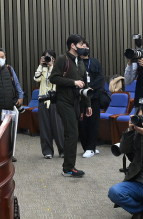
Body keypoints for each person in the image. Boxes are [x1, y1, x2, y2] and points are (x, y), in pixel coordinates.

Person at [49, 34, 92, 177]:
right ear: (73, 46)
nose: (83, 48)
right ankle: (68, 168)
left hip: (76, 102)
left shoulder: (80, 62)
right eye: (81, 45)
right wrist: (73, 82)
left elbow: (85, 84)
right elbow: (53, 78)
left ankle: (69, 166)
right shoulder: (63, 59)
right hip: (63, 101)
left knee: (72, 134)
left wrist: (88, 105)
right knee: (72, 133)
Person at [34, 49, 64, 159]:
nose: (46, 59)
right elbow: (36, 79)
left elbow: (55, 79)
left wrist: (51, 66)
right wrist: (41, 66)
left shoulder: (57, 69)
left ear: (54, 59)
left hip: (55, 101)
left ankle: (62, 150)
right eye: (44, 57)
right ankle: (47, 151)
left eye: (49, 57)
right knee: (44, 127)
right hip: (43, 100)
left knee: (58, 127)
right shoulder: (42, 69)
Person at [79, 41, 105, 158]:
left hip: (94, 96)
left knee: (94, 123)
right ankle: (87, 147)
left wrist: (90, 87)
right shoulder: (77, 62)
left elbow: (100, 78)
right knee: (82, 124)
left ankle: (91, 147)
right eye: (82, 47)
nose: (84, 49)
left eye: (86, 47)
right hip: (80, 97)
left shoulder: (95, 62)